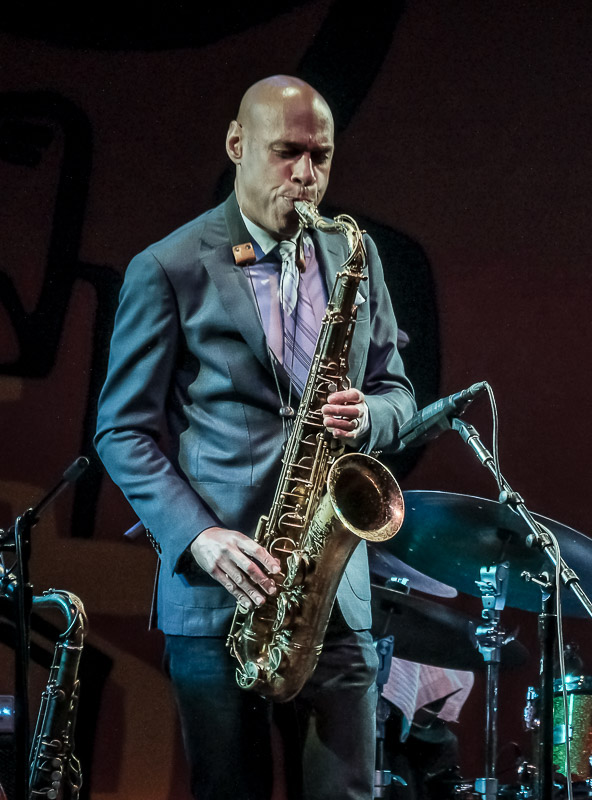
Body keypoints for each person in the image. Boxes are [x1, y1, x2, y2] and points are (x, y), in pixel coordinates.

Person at [94, 75, 418, 800]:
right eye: (286, 153)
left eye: (321, 157)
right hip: (217, 594)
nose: (306, 177)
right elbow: (121, 430)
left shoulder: (353, 257)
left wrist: (371, 414)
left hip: (334, 593)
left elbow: (399, 391)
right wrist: (199, 538)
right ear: (237, 145)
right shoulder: (169, 267)